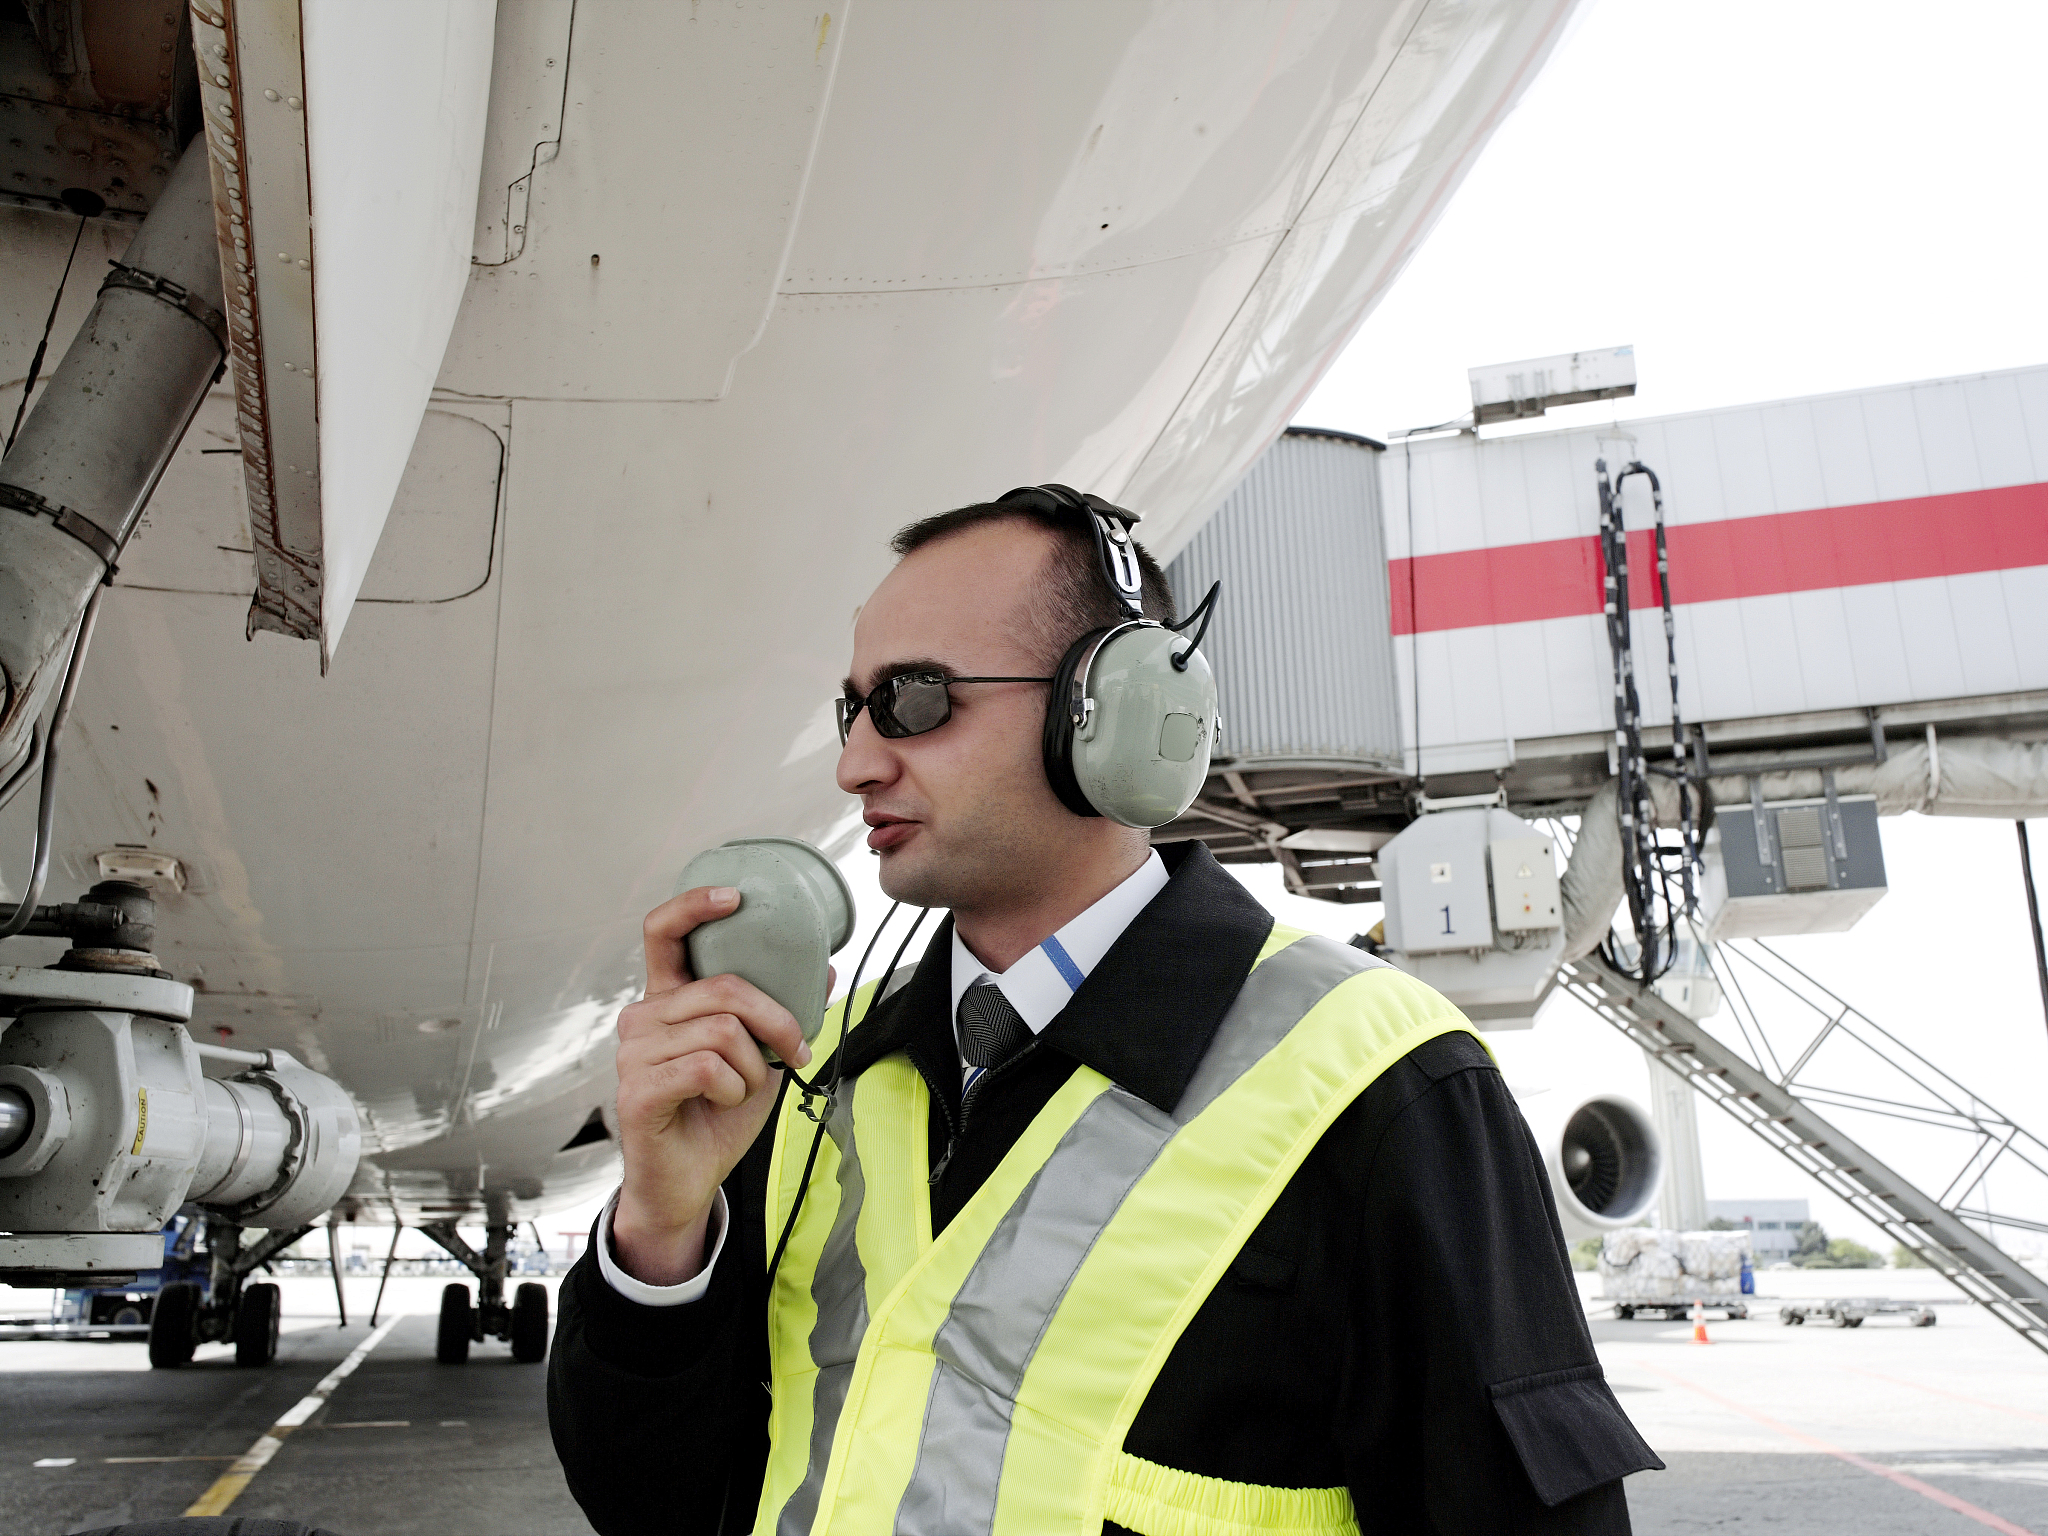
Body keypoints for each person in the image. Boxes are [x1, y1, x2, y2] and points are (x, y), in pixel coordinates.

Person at [547, 489, 1660, 1535]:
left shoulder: (1381, 1084)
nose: (851, 762)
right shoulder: (805, 1075)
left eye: (911, 699)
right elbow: (665, 1507)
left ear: (1120, 718)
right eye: (851, 707)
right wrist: (660, 1234)